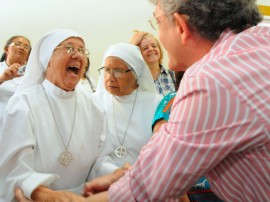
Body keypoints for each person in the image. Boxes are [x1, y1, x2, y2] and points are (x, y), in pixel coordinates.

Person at [79, 0, 270, 201]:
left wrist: (74, 200)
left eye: (157, 22)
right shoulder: (261, 39)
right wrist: (128, 176)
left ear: (181, 26)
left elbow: (150, 189)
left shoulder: (210, 78)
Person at [0, 29, 107, 201]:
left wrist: (115, 172)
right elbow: (14, 170)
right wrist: (43, 193)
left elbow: (99, 159)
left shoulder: (93, 105)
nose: (78, 55)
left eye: (82, 50)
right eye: (70, 48)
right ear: (47, 59)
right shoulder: (23, 103)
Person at [88, 43, 162, 179]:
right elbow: (89, 152)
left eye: (118, 71)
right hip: (101, 179)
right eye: (106, 70)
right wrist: (117, 173)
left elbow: (160, 153)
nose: (110, 77)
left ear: (136, 73)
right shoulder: (93, 101)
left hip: (143, 179)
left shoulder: (155, 103)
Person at [130, 30, 175, 96]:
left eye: (154, 46)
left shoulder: (173, 74)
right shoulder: (135, 81)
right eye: (145, 48)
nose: (151, 49)